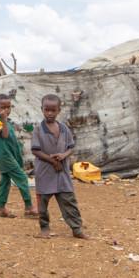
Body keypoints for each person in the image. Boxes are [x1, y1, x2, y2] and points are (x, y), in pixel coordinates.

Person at [30, 93, 87, 239]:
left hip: (62, 173)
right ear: (42, 109)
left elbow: (71, 147)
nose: (49, 113)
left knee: (69, 200)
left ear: (59, 110)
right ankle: (44, 228)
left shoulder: (64, 129)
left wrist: (63, 155)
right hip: (45, 172)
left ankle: (77, 228)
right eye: (46, 110)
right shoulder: (38, 130)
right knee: (43, 203)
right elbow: (35, 150)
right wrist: (52, 160)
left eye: (53, 110)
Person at [0, 93, 35, 218]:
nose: (6, 110)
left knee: (5, 181)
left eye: (8, 107)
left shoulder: (8, 122)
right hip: (4, 156)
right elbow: (4, 135)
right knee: (21, 177)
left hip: (8, 155)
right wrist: (4, 119)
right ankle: (29, 207)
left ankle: (0, 208)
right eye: (3, 107)